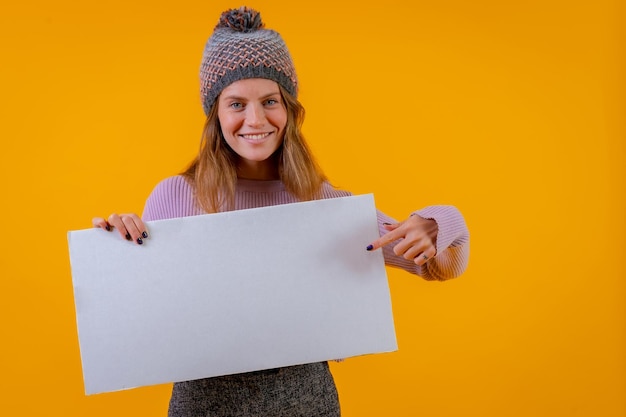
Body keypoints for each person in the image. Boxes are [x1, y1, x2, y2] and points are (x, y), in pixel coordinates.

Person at [92, 6, 469, 416]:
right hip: (203, 407)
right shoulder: (174, 197)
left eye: (269, 101)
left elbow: (443, 265)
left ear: (289, 109)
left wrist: (438, 224)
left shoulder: (324, 203)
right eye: (236, 104)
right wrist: (116, 253)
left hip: (307, 405)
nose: (255, 119)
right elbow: (143, 320)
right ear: (215, 115)